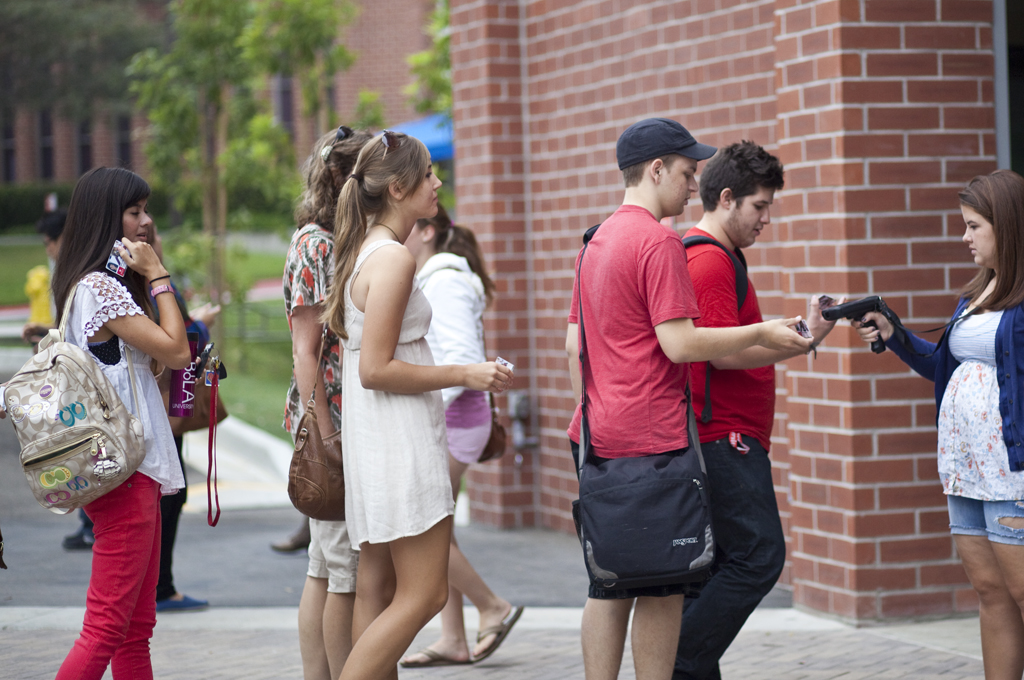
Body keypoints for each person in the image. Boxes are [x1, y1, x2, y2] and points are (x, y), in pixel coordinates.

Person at [564, 118, 812, 680]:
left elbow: (573, 343)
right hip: (653, 441)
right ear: (656, 170)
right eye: (685, 171)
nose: (691, 182)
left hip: (594, 435)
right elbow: (679, 345)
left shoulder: (594, 240)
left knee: (607, 584)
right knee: (665, 586)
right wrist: (761, 332)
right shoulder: (658, 241)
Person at [321, 130, 513, 680]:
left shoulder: (368, 250)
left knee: (377, 587)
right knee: (425, 593)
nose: (438, 183)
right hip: (397, 437)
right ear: (400, 188)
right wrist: (466, 372)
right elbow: (376, 368)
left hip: (377, 434)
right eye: (429, 174)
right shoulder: (393, 260)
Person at [673, 141, 840, 680]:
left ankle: (680, 661)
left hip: (727, 436)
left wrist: (806, 334)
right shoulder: (708, 259)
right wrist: (800, 341)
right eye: (760, 206)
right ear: (727, 198)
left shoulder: (719, 255)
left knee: (721, 568)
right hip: (723, 437)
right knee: (758, 557)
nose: (766, 218)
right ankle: (671, 659)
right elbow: (721, 351)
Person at [19, 166, 190, 678]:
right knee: (106, 630)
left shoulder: (96, 284)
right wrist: (158, 275)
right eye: (135, 212)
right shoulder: (98, 288)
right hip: (126, 472)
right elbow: (178, 350)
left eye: (145, 210)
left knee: (134, 632)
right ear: (106, 218)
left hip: (129, 469)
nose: (146, 221)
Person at [854, 169, 1024, 680]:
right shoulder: (981, 291)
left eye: (974, 226)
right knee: (991, 593)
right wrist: (895, 334)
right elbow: (946, 367)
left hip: (1011, 470)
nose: (964, 237)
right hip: (965, 469)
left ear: (1008, 226)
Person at [399, 205, 523, 668]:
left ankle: (492, 606)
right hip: (457, 420)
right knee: (438, 530)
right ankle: (453, 637)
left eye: (406, 228)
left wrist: (424, 412)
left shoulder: (445, 280)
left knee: (425, 532)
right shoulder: (440, 276)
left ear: (428, 232)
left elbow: (467, 361)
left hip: (454, 421)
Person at [284, 125, 371, 680]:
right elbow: (305, 348)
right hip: (331, 421)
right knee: (343, 570)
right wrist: (326, 427)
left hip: (334, 415)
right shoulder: (317, 243)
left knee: (323, 564)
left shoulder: (330, 238)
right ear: (347, 180)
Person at [149, 226, 221, 613]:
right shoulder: (150, 282)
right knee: (168, 496)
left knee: (171, 495)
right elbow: (178, 340)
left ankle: (159, 587)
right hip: (164, 403)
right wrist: (201, 326)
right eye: (137, 214)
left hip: (168, 399)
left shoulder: (148, 280)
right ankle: (160, 588)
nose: (148, 228)